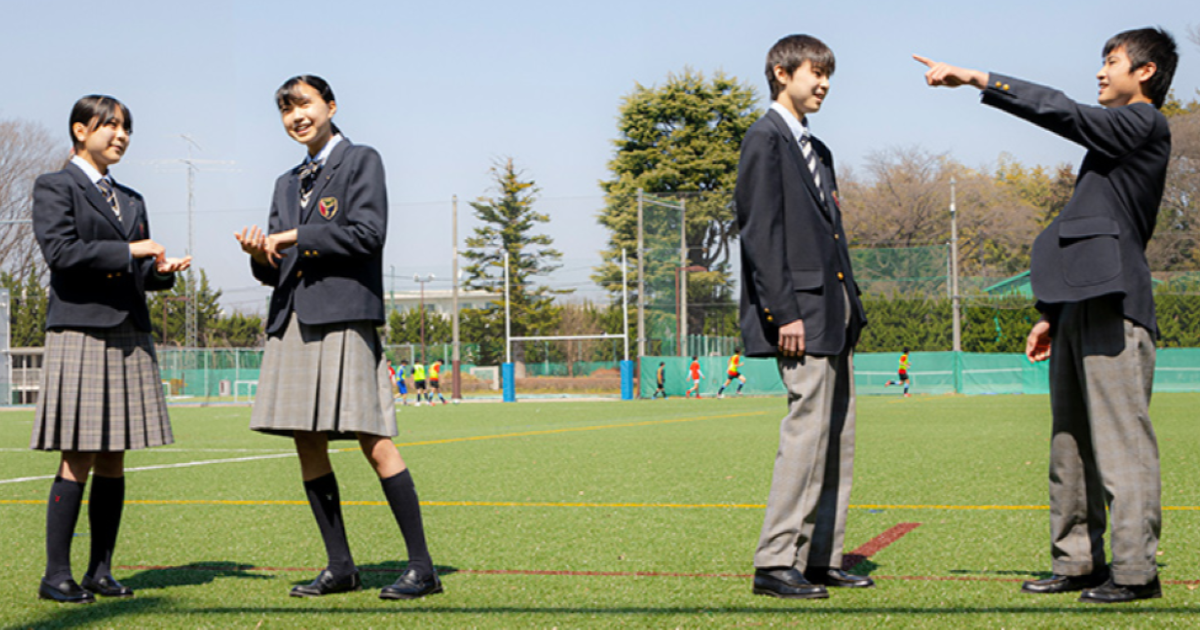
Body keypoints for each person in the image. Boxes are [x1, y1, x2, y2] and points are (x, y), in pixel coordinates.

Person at [915, 26, 1178, 604]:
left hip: (1116, 308)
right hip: (1080, 309)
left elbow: (1062, 112)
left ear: (1147, 73)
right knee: (1070, 446)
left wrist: (978, 77)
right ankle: (1078, 562)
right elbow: (1089, 239)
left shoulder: (1144, 124)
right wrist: (1052, 314)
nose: (1101, 72)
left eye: (1111, 62)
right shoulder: (1109, 146)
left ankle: (1136, 573)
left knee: (1121, 446)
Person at [235, 75, 441, 600]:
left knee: (374, 440)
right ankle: (340, 566)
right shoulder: (285, 182)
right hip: (294, 320)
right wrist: (261, 254)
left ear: (330, 105)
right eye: (285, 109)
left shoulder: (362, 160)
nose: (295, 115)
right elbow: (275, 268)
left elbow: (368, 234)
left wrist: (296, 236)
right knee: (306, 442)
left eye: (303, 103)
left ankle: (422, 567)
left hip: (346, 315)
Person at [31, 95, 191, 603]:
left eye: (125, 128)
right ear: (80, 130)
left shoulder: (132, 199)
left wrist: (158, 273)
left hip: (128, 332)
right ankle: (57, 574)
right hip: (80, 330)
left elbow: (136, 273)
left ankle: (101, 570)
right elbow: (61, 253)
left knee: (116, 456)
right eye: (110, 126)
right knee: (77, 453)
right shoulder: (55, 186)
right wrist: (131, 250)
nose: (120, 135)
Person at [736, 34, 870, 600]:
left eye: (828, 75)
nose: (824, 84)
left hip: (834, 313)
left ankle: (820, 558)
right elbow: (760, 235)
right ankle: (774, 562)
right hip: (800, 316)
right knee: (804, 435)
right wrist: (783, 311)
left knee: (837, 437)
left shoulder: (817, 148)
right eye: (815, 72)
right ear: (780, 71)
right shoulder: (764, 139)